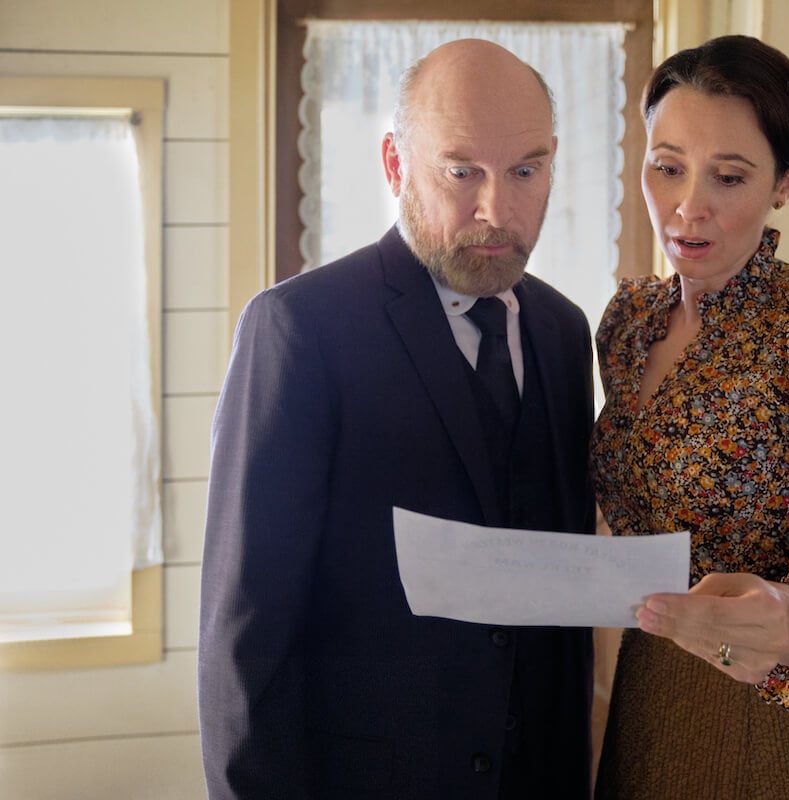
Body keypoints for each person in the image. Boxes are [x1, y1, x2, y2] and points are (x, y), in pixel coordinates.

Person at [198, 39, 596, 799]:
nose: (496, 210)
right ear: (393, 163)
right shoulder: (298, 329)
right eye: (461, 172)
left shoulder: (563, 331)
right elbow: (243, 630)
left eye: (525, 171)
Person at [590, 35, 789, 799]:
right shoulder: (629, 323)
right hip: (648, 711)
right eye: (666, 166)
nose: (687, 206)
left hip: (782, 740)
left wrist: (780, 616)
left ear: (785, 183)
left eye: (729, 176)